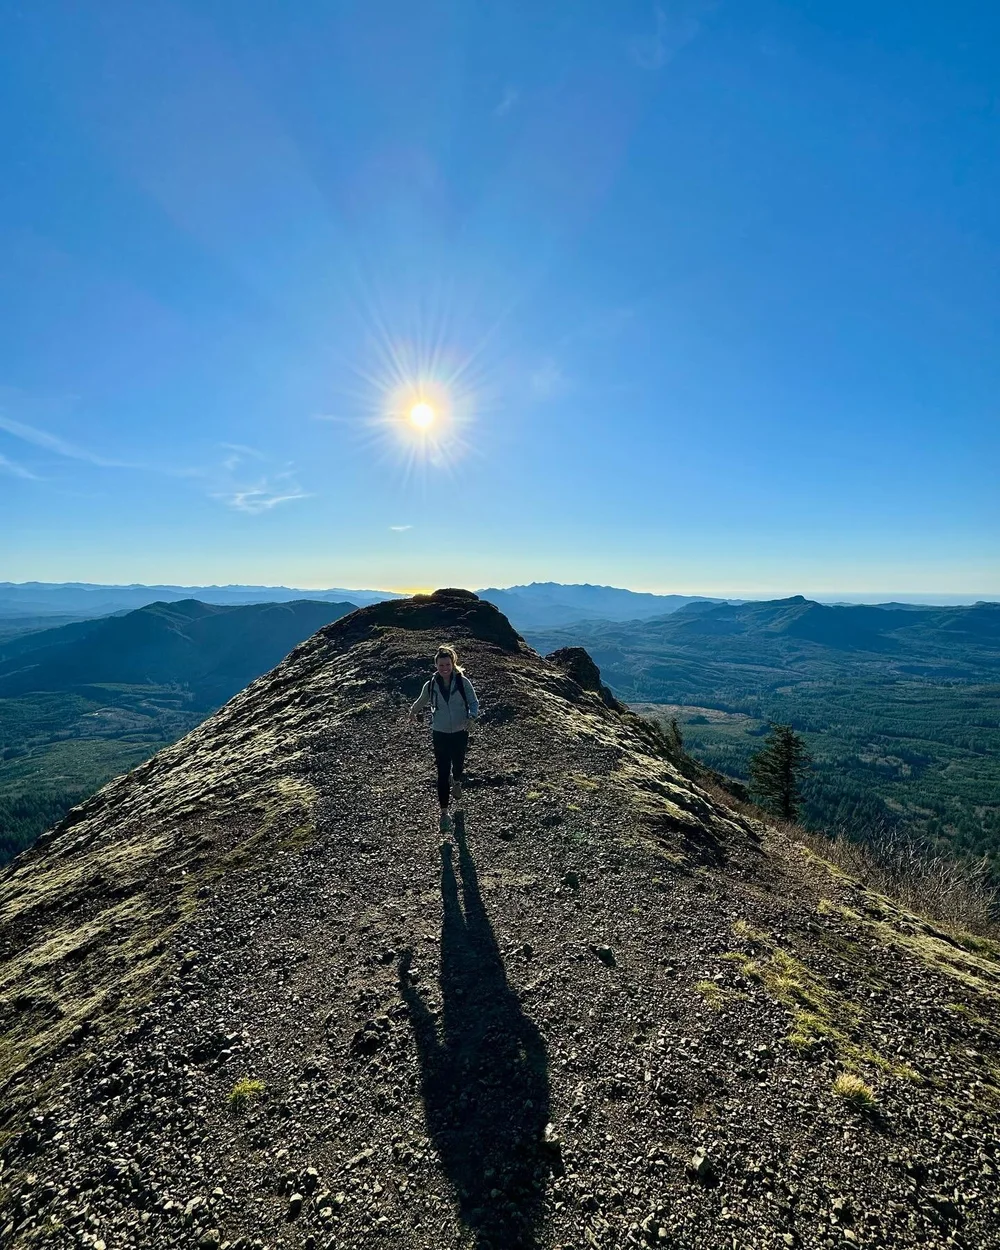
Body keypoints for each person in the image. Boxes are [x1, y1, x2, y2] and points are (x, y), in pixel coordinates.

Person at [410, 645, 480, 834]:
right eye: (441, 665)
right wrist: (413, 711)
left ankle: (456, 781)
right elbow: (421, 700)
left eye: (447, 664)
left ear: (453, 663)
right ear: (436, 665)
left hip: (460, 730)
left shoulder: (463, 682)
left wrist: (472, 717)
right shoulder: (431, 684)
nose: (444, 668)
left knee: (458, 764)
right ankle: (444, 813)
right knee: (442, 771)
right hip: (439, 732)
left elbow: (474, 702)